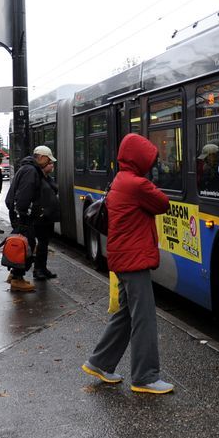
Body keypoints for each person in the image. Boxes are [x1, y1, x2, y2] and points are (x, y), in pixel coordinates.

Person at [82, 133, 173, 395]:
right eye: (149, 159)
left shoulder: (121, 180)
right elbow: (163, 203)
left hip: (122, 258)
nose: (151, 164)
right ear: (139, 158)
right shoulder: (136, 184)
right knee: (144, 317)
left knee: (125, 314)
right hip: (134, 260)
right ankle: (145, 376)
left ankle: (99, 362)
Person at [5, 146, 60, 291]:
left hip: (22, 215)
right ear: (41, 157)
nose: (49, 163)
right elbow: (25, 195)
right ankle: (17, 279)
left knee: (24, 244)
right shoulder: (31, 171)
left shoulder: (28, 168)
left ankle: (14, 275)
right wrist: (25, 215)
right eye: (48, 159)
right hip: (25, 217)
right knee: (25, 246)